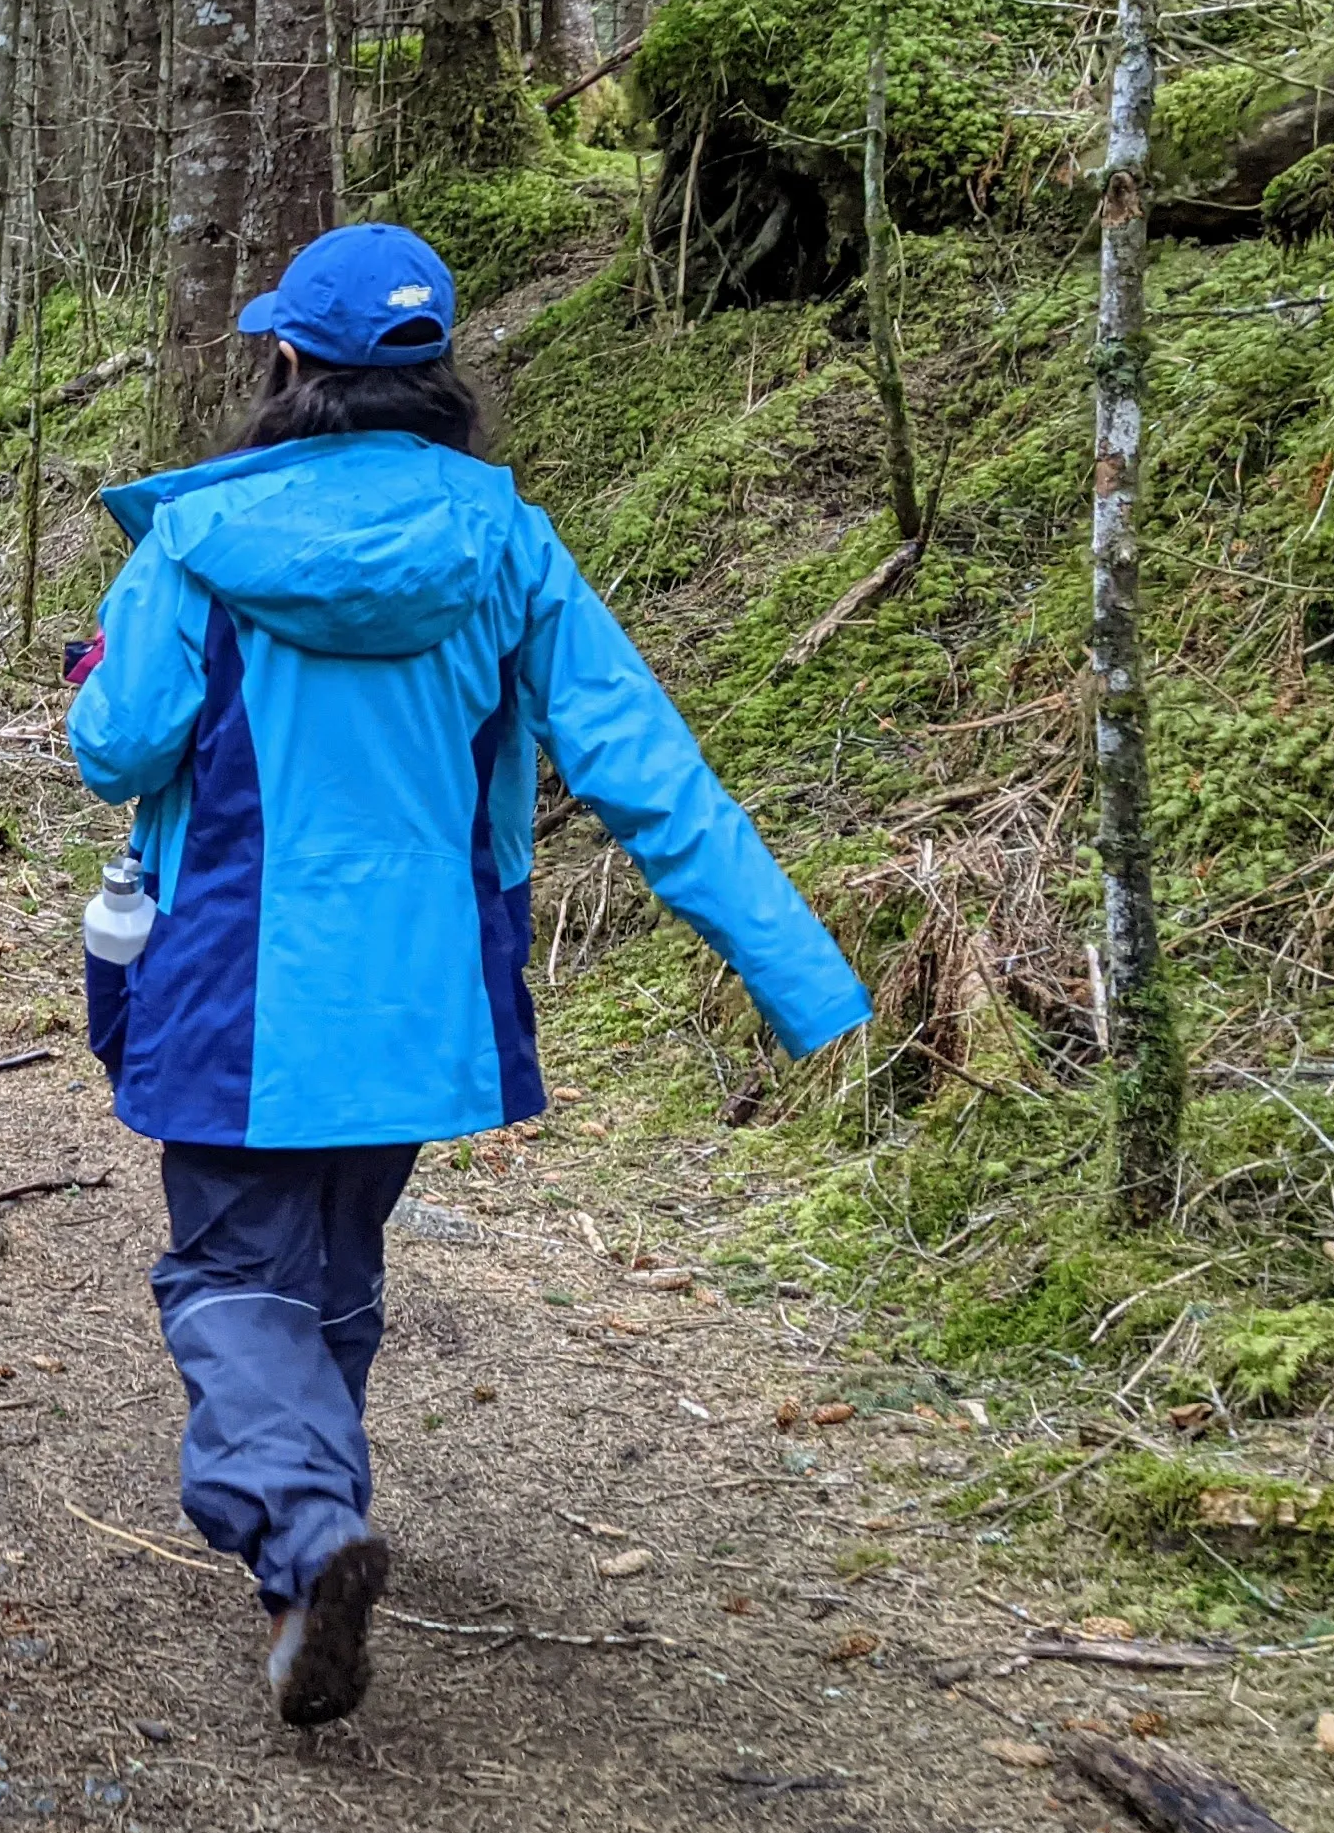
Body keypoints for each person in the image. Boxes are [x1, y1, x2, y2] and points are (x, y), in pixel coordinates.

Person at [67, 223, 868, 1731]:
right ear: (436, 374)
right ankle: (313, 1555)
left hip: (234, 982)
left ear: (288, 362)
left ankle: (308, 1537)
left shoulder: (193, 546)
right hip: (425, 993)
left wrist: (95, 680)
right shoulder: (509, 545)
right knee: (338, 1268)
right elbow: (652, 779)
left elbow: (120, 749)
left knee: (230, 1272)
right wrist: (805, 981)